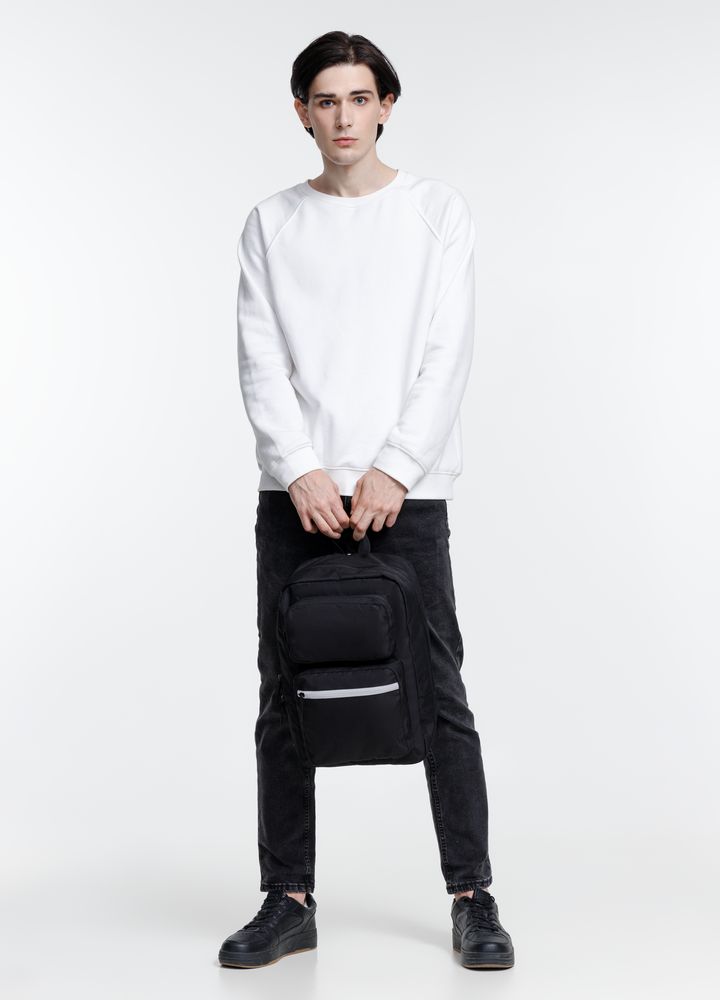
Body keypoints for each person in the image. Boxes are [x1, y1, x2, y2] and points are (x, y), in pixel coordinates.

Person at [218, 30, 515, 972]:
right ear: (300, 112)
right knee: (284, 696)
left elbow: (447, 352)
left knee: (440, 693)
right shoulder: (272, 223)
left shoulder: (436, 213)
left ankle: (473, 895)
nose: (343, 117)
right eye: (325, 100)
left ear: (386, 105)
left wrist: (395, 466)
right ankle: (288, 898)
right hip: (297, 500)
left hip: (407, 497)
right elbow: (259, 356)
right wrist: (300, 467)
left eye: (359, 98)